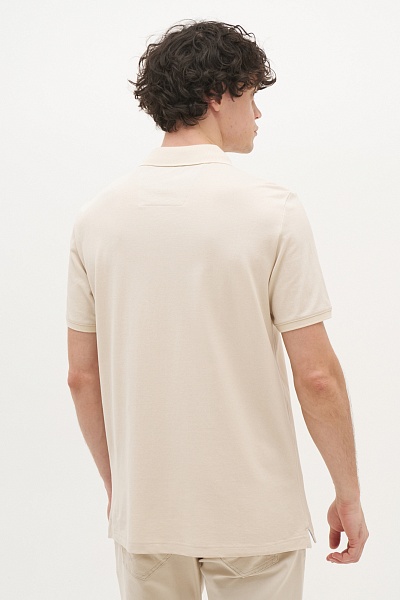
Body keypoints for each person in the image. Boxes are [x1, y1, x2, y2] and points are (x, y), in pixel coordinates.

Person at [66, 19, 368, 600]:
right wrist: (348, 493)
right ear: (216, 96)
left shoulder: (96, 218)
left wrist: (119, 490)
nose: (258, 113)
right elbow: (317, 375)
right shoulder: (273, 211)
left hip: (147, 514)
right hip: (256, 514)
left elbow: (81, 377)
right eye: (251, 96)